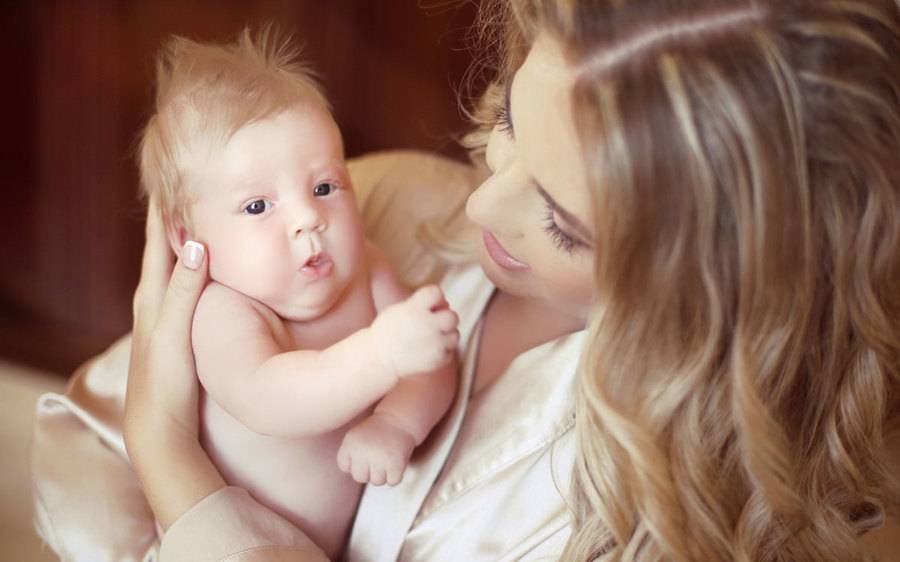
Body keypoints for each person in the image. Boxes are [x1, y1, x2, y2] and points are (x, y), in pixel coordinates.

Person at [32, 0, 900, 560]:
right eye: (512, 121)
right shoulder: (396, 204)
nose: (481, 202)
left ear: (709, 285)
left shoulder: (653, 515)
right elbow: (85, 462)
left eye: (562, 221)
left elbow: (153, 429)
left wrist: (167, 448)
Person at [134, 30, 459, 560]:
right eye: (259, 206)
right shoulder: (223, 310)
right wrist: (381, 354)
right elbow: (270, 400)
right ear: (184, 235)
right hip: (233, 542)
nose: (309, 217)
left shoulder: (367, 267)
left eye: (324, 187)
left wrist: (398, 421)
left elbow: (432, 358)